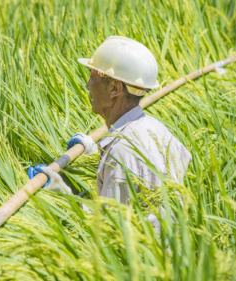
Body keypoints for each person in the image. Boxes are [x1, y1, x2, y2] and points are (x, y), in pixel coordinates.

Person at [28, 36, 192, 231]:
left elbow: (108, 229)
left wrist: (63, 195)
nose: (88, 85)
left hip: (141, 257)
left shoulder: (123, 152)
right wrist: (97, 154)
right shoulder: (156, 129)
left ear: (115, 88)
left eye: (93, 77)